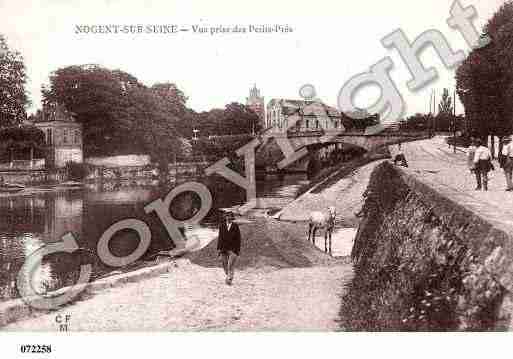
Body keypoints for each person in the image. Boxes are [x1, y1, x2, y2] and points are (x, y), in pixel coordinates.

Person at [217, 212, 241, 285]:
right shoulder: (222, 226)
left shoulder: (235, 226)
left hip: (233, 249)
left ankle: (229, 279)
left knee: (230, 265)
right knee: (224, 265)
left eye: (230, 216)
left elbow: (238, 239)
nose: (229, 218)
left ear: (232, 218)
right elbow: (220, 238)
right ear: (225, 217)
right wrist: (218, 249)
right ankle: (229, 276)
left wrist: (237, 250)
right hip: (223, 249)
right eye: (227, 216)